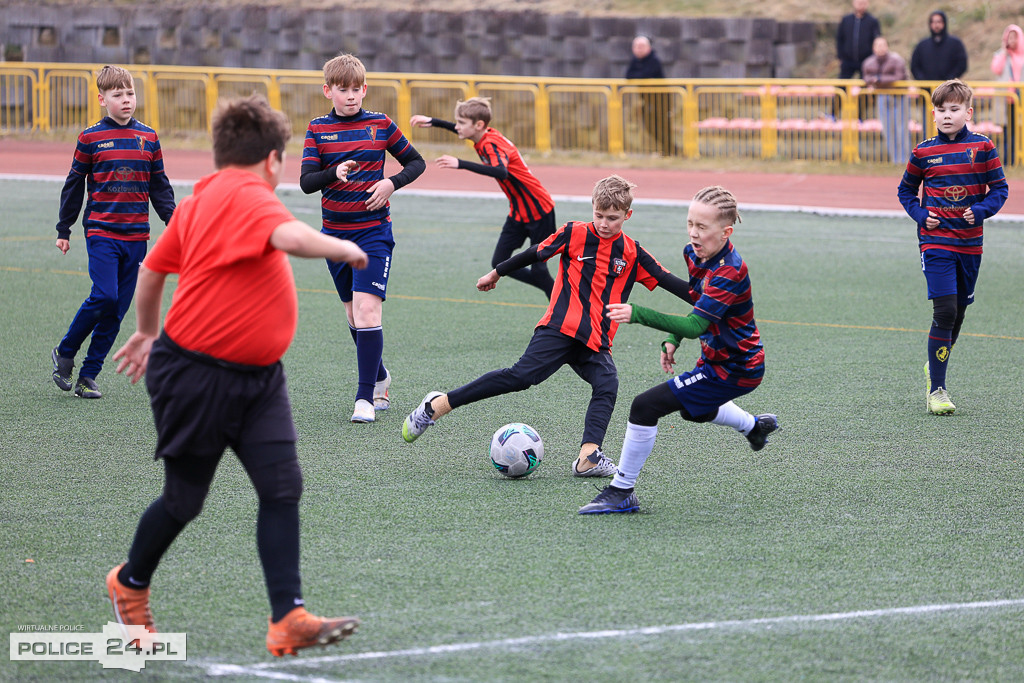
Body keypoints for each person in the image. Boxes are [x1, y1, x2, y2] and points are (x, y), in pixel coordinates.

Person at [107, 94, 367, 656]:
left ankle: (288, 617)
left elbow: (152, 271)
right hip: (197, 376)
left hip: (258, 379)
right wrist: (342, 246)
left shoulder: (199, 200)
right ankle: (129, 584)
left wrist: (147, 331)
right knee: (184, 500)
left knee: (281, 487)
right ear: (273, 161)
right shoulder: (249, 195)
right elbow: (291, 238)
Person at [401, 175, 695, 478]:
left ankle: (588, 457)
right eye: (599, 215)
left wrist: (712, 299)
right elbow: (535, 252)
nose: (604, 223)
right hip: (559, 328)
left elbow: (671, 283)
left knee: (607, 384)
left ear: (627, 215)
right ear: (592, 208)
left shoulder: (633, 253)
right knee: (521, 377)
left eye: (613, 218)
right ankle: (438, 405)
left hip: (595, 340)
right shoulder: (574, 232)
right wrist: (497, 272)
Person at [579, 186, 777, 514]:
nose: (693, 233)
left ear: (726, 232)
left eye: (702, 227)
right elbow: (699, 305)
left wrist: (638, 313)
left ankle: (621, 491)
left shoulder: (729, 270)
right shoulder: (694, 254)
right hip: (716, 361)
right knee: (693, 410)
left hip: (739, 368)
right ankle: (754, 427)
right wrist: (674, 337)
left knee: (645, 406)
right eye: (690, 224)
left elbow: (697, 325)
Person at [300, 53, 426, 424]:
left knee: (368, 311)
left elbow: (416, 162)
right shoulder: (317, 129)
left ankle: (365, 398)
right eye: (343, 89)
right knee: (353, 315)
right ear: (328, 91)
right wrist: (333, 172)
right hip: (335, 238)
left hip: (373, 233)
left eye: (357, 89)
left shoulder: (380, 124)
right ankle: (381, 375)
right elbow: (307, 182)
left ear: (365, 89)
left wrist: (391, 183)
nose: (351, 95)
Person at [50, 65, 175, 399]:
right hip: (102, 232)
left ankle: (88, 376)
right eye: (117, 95)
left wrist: (174, 221)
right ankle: (65, 351)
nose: (126, 100)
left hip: (137, 237)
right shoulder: (90, 138)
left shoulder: (149, 137)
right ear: (102, 99)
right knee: (105, 296)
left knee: (117, 310)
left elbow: (160, 187)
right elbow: (74, 185)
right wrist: (64, 228)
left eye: (130, 93)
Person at [897, 79, 1009, 416]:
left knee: (959, 311)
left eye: (954, 109)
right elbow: (905, 191)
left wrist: (982, 210)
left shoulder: (983, 147)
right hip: (935, 243)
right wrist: (921, 215)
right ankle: (937, 390)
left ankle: (935, 362)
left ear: (968, 113)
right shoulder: (923, 152)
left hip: (970, 244)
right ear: (933, 114)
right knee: (945, 310)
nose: (947, 115)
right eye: (941, 110)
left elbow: (1000, 189)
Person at [409, 97, 556, 297]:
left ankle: (559, 303)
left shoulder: (490, 144)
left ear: (479, 125)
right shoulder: (484, 135)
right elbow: (465, 130)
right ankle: (557, 291)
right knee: (499, 263)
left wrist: (460, 163)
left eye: (461, 122)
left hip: (539, 210)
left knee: (539, 270)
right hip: (519, 212)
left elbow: (501, 171)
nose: (457, 127)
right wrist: (434, 121)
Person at [862, 36, 911, 164]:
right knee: (888, 130)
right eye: (878, 45)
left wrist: (879, 80)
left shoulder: (896, 59)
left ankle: (905, 159)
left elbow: (899, 76)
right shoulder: (869, 62)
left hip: (899, 96)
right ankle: (895, 160)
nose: (880, 48)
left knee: (901, 129)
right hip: (882, 97)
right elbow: (866, 77)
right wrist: (876, 81)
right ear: (873, 48)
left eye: (883, 45)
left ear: (887, 46)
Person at [625, 35, 674, 156]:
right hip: (647, 100)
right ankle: (669, 150)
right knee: (649, 126)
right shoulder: (635, 60)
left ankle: (671, 150)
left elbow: (644, 75)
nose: (639, 49)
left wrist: (639, 76)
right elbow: (628, 76)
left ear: (649, 47)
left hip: (661, 99)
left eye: (641, 46)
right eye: (636, 46)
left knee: (662, 125)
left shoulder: (654, 60)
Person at [990, 24, 1023, 166]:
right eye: (1010, 37)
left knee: (1016, 129)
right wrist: (1004, 52)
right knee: (1003, 130)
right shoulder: (1000, 54)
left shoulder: (1022, 55)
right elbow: (996, 69)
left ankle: (1015, 159)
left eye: (1015, 37)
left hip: (1019, 98)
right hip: (1004, 99)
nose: (1012, 40)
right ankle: (1004, 159)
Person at [910, 10, 968, 81]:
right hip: (926, 86)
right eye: (933, 22)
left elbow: (961, 64)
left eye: (939, 22)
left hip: (948, 85)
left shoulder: (955, 43)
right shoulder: (922, 45)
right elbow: (915, 66)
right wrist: (923, 80)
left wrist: (949, 80)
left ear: (944, 23)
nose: (936, 25)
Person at [836, 0, 881, 79]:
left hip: (866, 60)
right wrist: (840, 56)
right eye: (859, 2)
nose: (861, 5)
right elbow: (840, 39)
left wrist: (874, 57)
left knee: (866, 84)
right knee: (842, 84)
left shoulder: (872, 21)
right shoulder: (846, 20)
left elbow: (877, 40)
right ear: (853, 3)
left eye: (863, 3)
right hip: (847, 60)